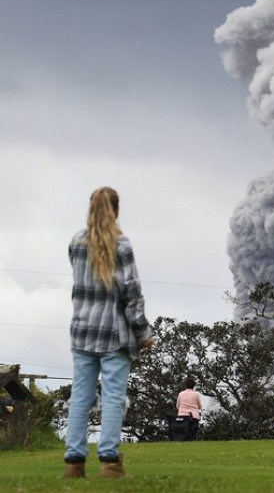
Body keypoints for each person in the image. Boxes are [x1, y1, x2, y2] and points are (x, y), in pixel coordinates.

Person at [64, 187, 153, 479]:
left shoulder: (76, 243)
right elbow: (131, 294)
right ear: (116, 211)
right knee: (114, 397)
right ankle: (109, 463)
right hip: (114, 335)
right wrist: (143, 332)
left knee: (80, 396)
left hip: (82, 332)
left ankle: (74, 463)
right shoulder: (122, 245)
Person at [175, 376, 202, 440]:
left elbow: (177, 406)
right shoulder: (196, 394)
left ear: (185, 385)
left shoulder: (181, 394)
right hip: (193, 416)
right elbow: (199, 406)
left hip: (182, 416)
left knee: (183, 434)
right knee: (193, 434)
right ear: (193, 386)